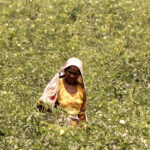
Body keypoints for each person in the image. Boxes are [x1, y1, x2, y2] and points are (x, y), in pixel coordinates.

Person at [37, 58, 87, 126]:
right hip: (57, 124)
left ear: (79, 74)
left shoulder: (81, 89)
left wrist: (83, 128)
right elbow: (47, 101)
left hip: (75, 127)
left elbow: (82, 112)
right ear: (65, 71)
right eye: (70, 72)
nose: (72, 76)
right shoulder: (57, 84)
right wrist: (43, 104)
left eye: (75, 74)